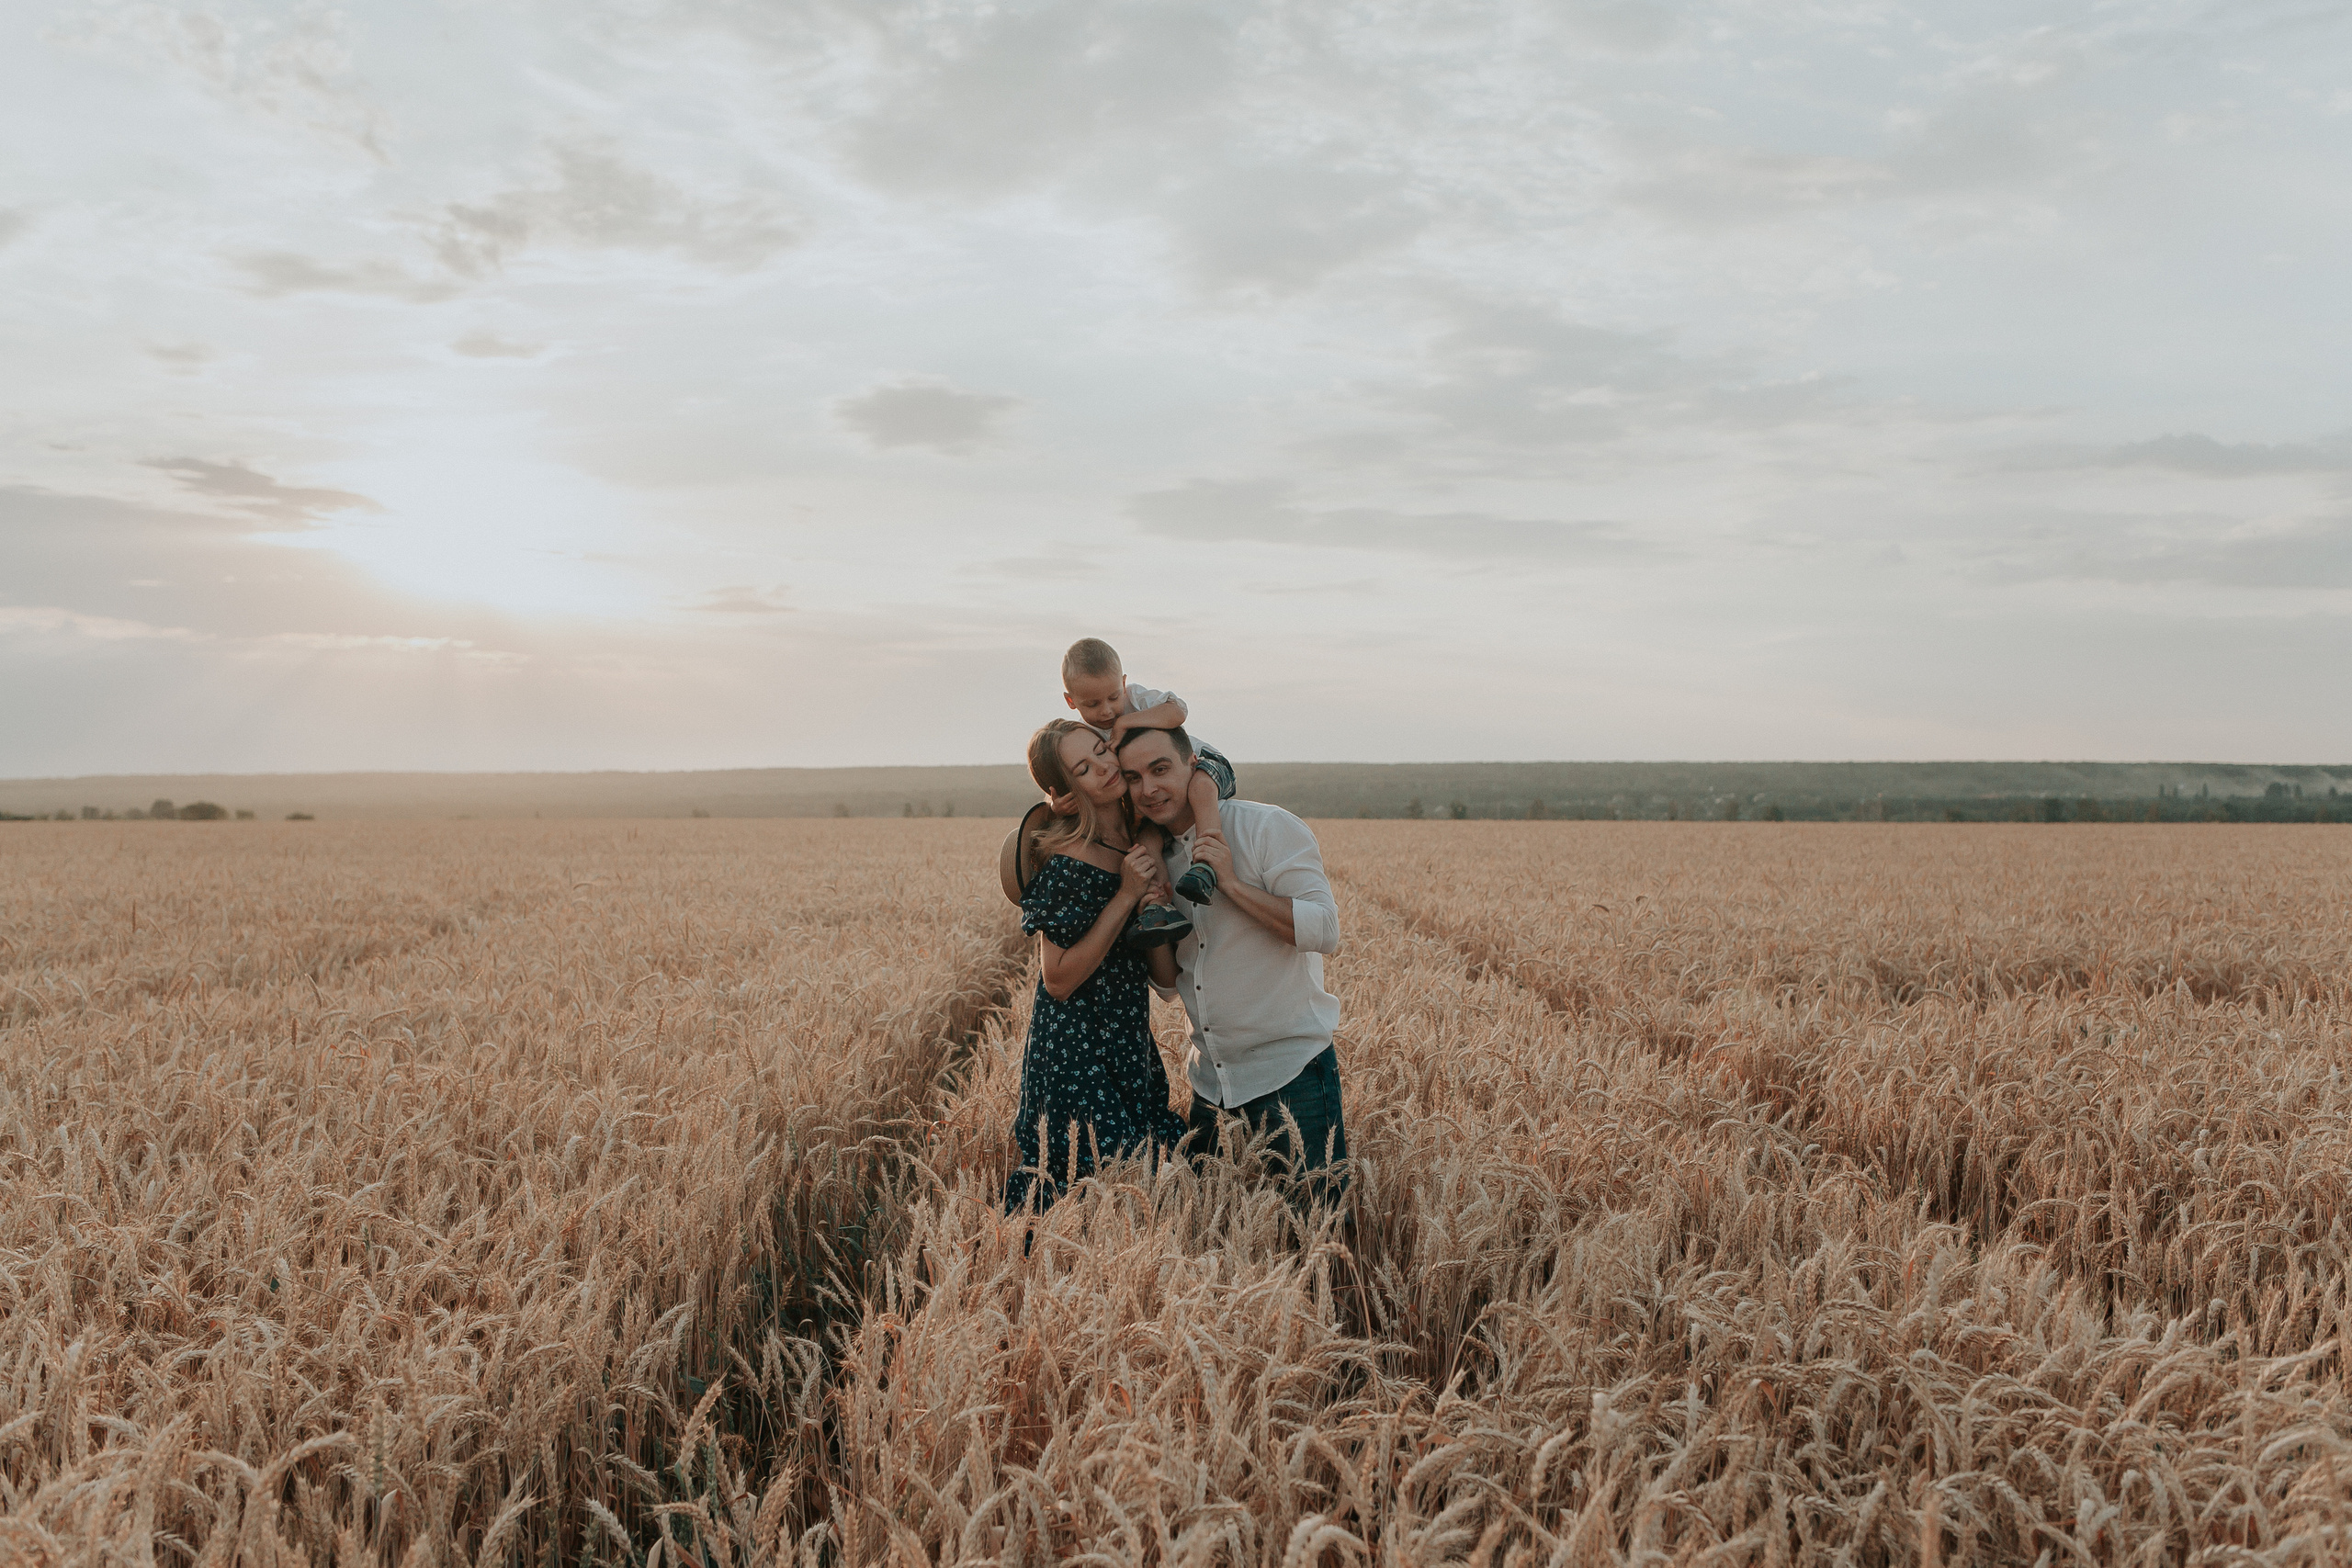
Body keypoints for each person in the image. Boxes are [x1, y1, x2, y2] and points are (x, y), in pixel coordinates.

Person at [1115, 724, 1348, 1203]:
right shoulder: (1152, 858)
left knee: (1317, 1231)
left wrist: (1232, 884)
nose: (1149, 788)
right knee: (1207, 1239)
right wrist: (1146, 907)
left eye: (1160, 769)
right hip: (1210, 1082)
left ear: (1194, 767)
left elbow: (1324, 930)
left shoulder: (1266, 827)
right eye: (1133, 777)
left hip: (1292, 1075)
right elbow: (1166, 984)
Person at [1003, 719, 1189, 1213]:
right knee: (1082, 1193)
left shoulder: (1137, 844)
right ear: (1066, 793)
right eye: (1083, 768)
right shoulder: (1067, 857)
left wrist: (1150, 903)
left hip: (1127, 1041)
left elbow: (1166, 979)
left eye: (1103, 750)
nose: (1105, 767)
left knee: (1146, 1187)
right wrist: (1126, 895)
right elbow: (1057, 979)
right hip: (1073, 1051)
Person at [1059, 637, 1237, 906]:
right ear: (1071, 701)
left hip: (1201, 764)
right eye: (1092, 704)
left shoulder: (1137, 699)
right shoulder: (1087, 735)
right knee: (1147, 840)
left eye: (1113, 697)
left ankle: (1206, 863)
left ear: (1123, 683)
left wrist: (1127, 722)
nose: (1106, 710)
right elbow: (1074, 769)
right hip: (1157, 790)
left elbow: (1177, 713)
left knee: (1200, 788)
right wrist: (1055, 803)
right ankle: (1161, 903)